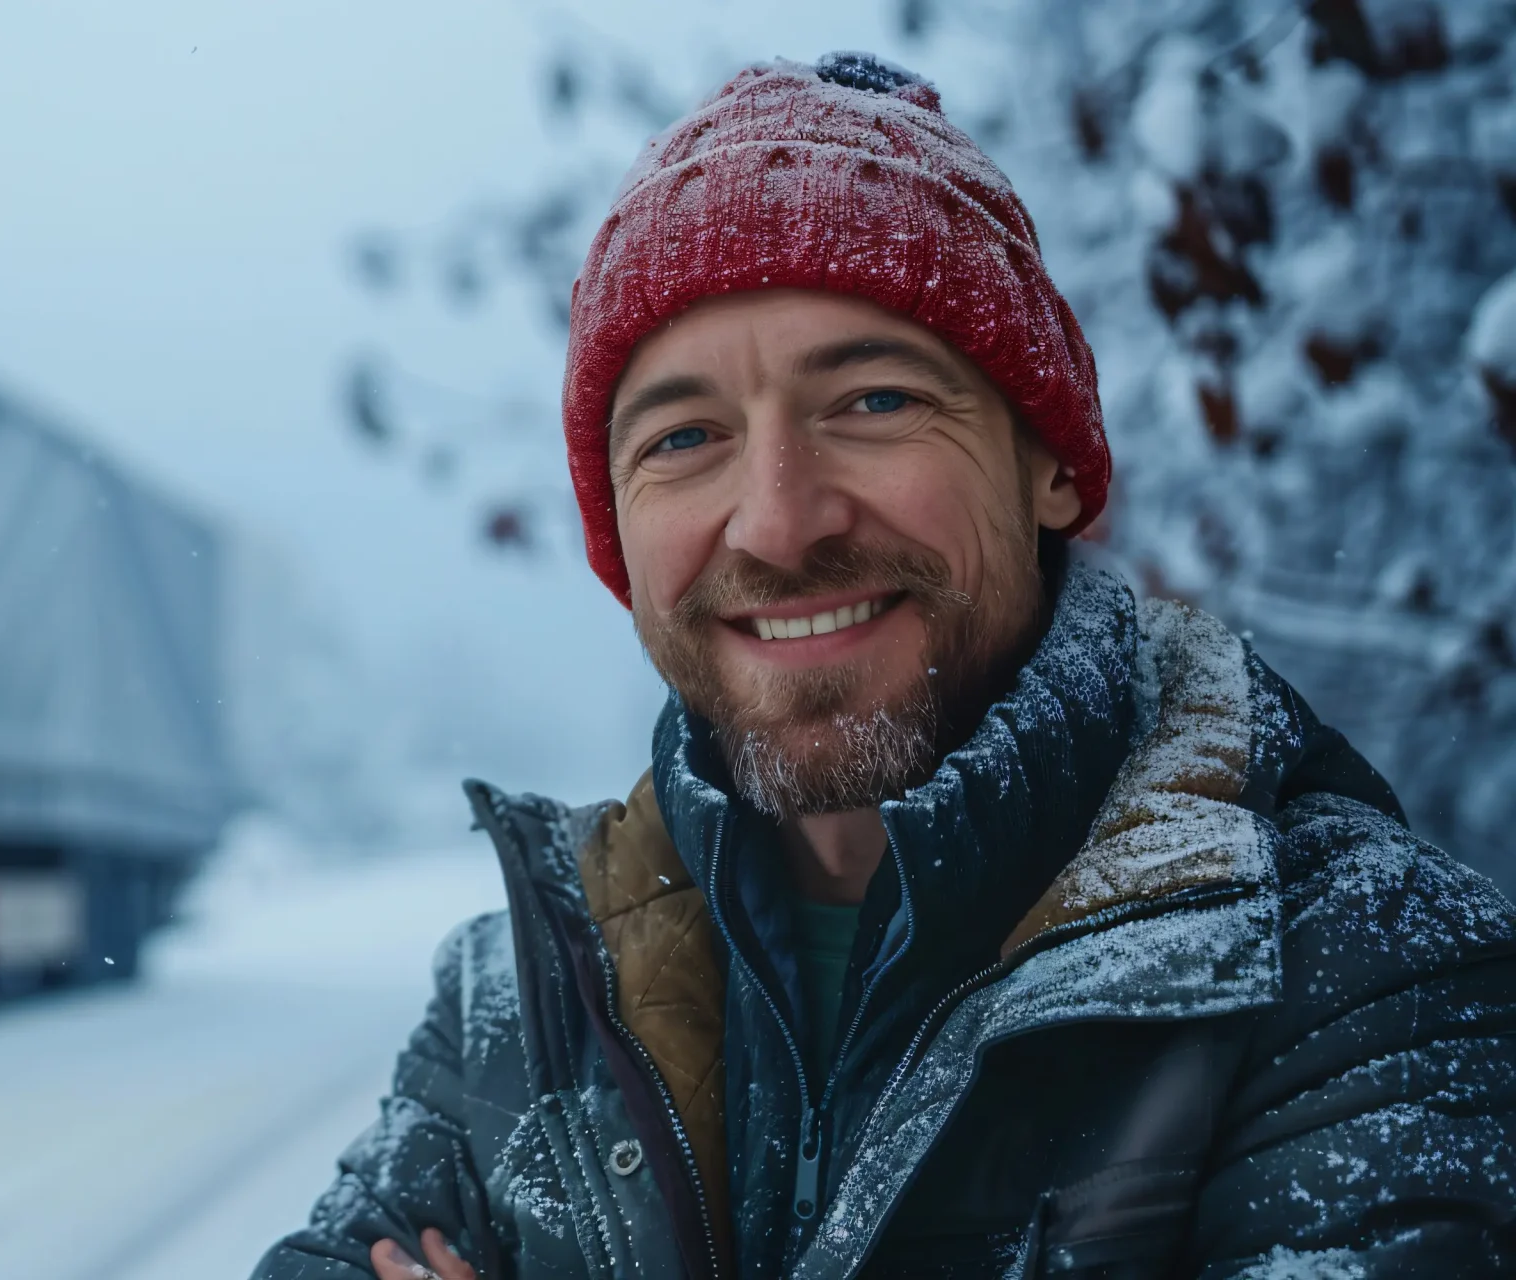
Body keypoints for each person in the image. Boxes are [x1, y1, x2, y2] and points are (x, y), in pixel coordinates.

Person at [254, 53, 1516, 1280]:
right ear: (620, 545)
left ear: (1053, 467)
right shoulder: (522, 1003)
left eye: (872, 402)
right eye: (686, 437)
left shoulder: (1352, 966)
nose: (777, 520)